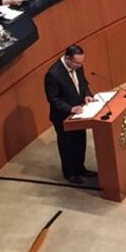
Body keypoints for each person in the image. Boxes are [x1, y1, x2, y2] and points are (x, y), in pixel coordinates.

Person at [44, 45, 95, 184]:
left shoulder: (78, 67)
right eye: (76, 63)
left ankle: (80, 168)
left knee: (80, 142)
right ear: (67, 58)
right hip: (63, 116)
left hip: (79, 113)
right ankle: (69, 173)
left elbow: (83, 83)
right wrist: (70, 109)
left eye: (81, 62)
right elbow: (53, 99)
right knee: (68, 145)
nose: (80, 65)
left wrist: (87, 95)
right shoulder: (53, 74)